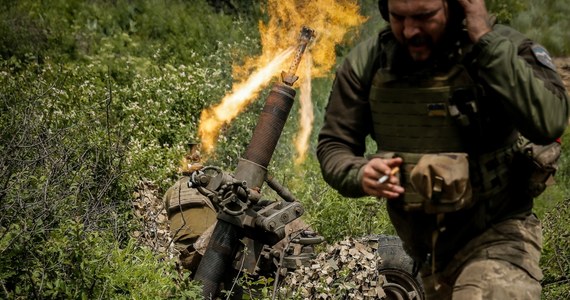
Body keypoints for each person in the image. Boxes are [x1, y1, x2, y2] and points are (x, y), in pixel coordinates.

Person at [316, 0, 569, 299]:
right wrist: (359, 173)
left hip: (497, 235)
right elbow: (335, 144)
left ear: (457, 7)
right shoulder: (369, 61)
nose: (410, 31)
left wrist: (486, 41)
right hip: (425, 253)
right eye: (399, 18)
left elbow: (549, 122)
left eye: (425, 17)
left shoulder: (502, 49)